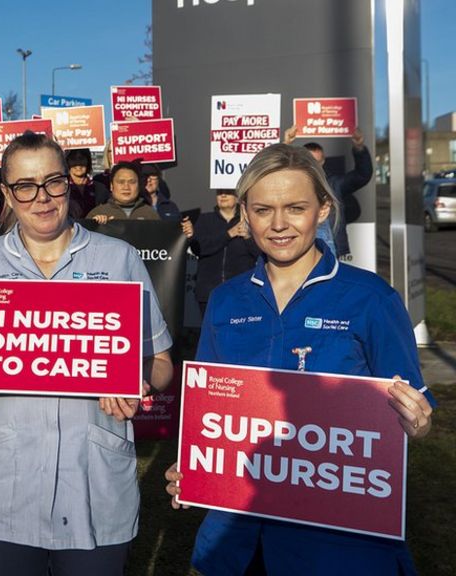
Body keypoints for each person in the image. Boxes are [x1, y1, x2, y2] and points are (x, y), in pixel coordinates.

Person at [165, 144, 436, 576]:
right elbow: (209, 413)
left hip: (337, 543)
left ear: (324, 209)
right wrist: (196, 467)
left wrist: (416, 423)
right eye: (262, 209)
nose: (277, 225)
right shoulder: (224, 300)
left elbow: (413, 414)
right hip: (237, 540)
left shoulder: (371, 298)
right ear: (244, 214)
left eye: (295, 208)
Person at [0, 132, 174, 575]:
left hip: (94, 487)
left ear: (70, 183)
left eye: (53, 182)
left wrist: (137, 380)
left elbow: (162, 362)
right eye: (25, 186)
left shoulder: (119, 258)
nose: (42, 198)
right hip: (7, 487)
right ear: (8, 194)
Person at [284, 126, 372, 257]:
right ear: (302, 160)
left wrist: (359, 147)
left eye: (318, 162)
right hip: (297, 247)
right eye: (310, 161)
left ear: (323, 161)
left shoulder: (334, 184)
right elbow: (273, 171)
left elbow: (362, 175)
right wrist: (286, 144)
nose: (314, 165)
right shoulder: (289, 182)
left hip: (330, 249)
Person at [181, 189, 260, 317]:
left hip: (242, 292)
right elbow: (199, 249)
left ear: (237, 197)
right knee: (213, 333)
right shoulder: (205, 219)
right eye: (219, 192)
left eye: (228, 192)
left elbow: (259, 254)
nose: (223, 195)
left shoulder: (249, 220)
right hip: (209, 292)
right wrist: (229, 234)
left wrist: (248, 237)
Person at [87, 160, 160, 222]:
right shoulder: (97, 214)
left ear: (139, 185)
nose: (126, 187)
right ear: (112, 186)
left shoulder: (150, 214)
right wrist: (96, 225)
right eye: (121, 182)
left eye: (132, 182)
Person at [65, 148, 109, 219]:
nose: (78, 164)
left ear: (88, 161)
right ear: (67, 162)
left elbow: (108, 209)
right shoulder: (62, 187)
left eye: (81, 158)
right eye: (73, 159)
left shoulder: (100, 188)